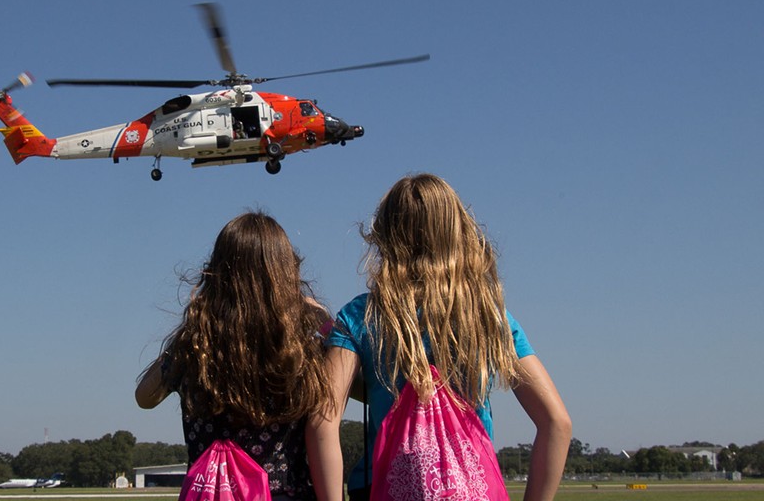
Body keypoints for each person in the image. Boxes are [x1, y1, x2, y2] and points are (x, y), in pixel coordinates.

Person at [307, 174, 571, 501]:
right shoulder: (490, 317)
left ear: (386, 234)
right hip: (471, 487)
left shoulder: (362, 316)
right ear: (459, 231)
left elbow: (323, 420)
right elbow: (557, 423)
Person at [136, 210, 335, 501]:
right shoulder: (302, 352)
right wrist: (326, 323)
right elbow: (355, 386)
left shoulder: (196, 349)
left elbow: (145, 397)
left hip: (213, 493)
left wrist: (192, 329)